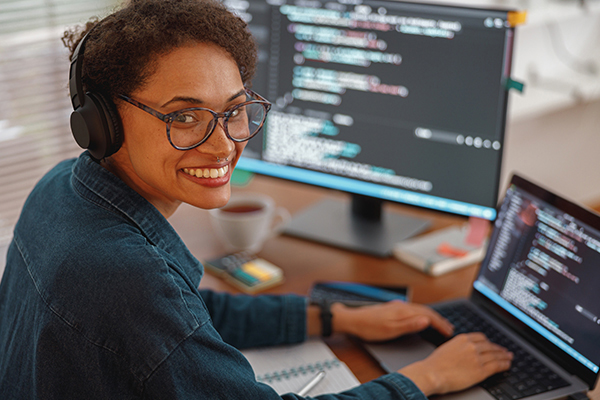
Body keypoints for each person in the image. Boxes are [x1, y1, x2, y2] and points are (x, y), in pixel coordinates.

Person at [0, 0, 513, 398]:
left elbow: (184, 315)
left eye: (234, 110)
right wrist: (426, 378)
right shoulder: (125, 276)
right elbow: (157, 307)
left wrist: (335, 317)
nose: (224, 144)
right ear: (102, 123)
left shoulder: (61, 187)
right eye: (184, 116)